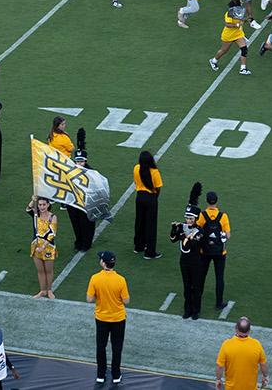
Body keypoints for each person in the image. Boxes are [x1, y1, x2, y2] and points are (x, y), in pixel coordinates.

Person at [86, 251, 129, 385]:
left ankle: (100, 374)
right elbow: (126, 301)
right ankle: (116, 375)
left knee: (101, 346)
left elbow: (89, 299)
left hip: (101, 318)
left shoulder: (95, 278)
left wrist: (99, 296)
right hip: (118, 319)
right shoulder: (121, 280)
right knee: (117, 347)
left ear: (104, 263)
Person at [214, 316, 268, 390]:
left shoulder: (226, 344)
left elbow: (219, 366)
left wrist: (218, 379)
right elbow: (263, 364)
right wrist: (265, 376)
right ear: (249, 330)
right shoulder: (256, 344)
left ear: (236, 328)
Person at [132, 150, 162, 259]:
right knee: (151, 225)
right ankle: (150, 252)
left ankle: (138, 246)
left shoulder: (136, 168)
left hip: (139, 197)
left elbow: (136, 182)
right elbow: (158, 188)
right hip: (150, 198)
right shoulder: (154, 172)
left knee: (139, 221)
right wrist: (154, 198)